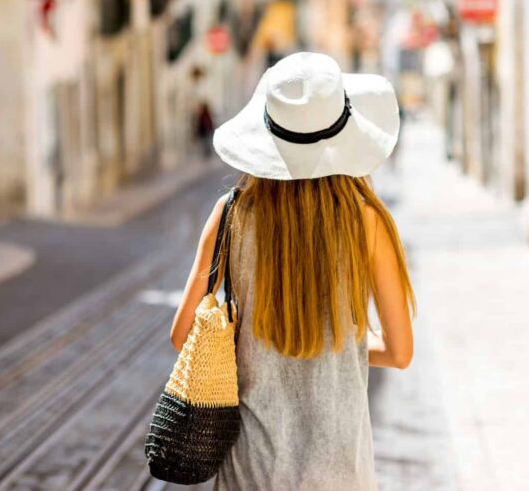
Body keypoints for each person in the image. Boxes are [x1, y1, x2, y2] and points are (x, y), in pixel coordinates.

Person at [171, 52, 416, 490]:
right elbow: (399, 352)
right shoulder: (368, 222)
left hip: (251, 468)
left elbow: (181, 335)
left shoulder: (230, 215)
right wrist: (341, 349)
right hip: (341, 470)